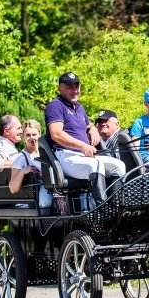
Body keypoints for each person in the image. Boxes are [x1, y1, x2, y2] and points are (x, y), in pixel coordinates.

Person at [44, 72, 126, 207]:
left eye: (77, 86)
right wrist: (82, 145)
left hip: (82, 156)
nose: (75, 91)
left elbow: (88, 124)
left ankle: (116, 208)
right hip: (65, 156)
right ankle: (102, 209)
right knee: (95, 165)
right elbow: (56, 134)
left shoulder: (79, 107)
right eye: (70, 87)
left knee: (119, 165)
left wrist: (93, 128)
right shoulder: (55, 106)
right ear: (60, 88)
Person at [8, 120, 53, 209]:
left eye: (34, 134)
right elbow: (12, 188)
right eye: (28, 135)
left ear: (39, 134)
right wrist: (23, 172)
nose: (31, 138)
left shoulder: (48, 152)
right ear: (23, 137)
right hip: (38, 196)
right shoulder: (21, 158)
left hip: (54, 188)